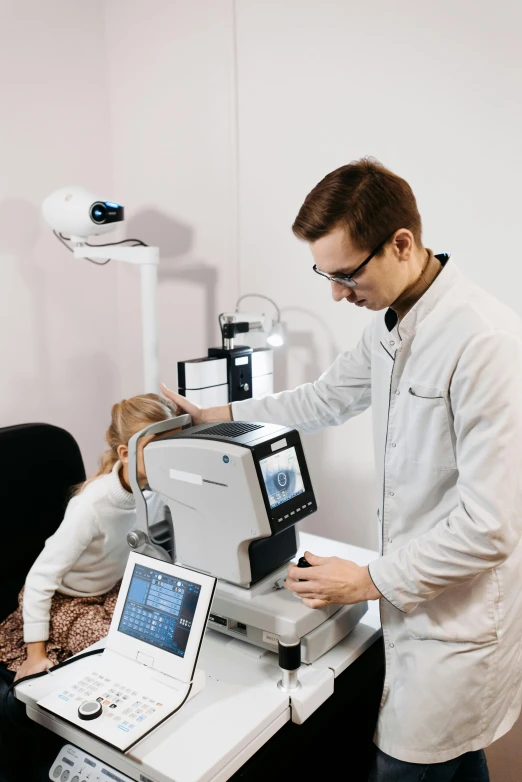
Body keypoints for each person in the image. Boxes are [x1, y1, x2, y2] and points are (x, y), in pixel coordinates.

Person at [161, 158, 522, 781]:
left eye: (346, 274)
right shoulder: (392, 324)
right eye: (323, 274)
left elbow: (489, 527)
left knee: (408, 763)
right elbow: (323, 399)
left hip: (457, 621)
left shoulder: (483, 341)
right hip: (414, 596)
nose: (335, 293)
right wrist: (216, 414)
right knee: (456, 767)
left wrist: (366, 579)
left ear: (401, 244)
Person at [0, 393, 177, 682]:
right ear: (124, 454)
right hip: (66, 598)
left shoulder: (154, 491)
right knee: (123, 651)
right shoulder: (91, 506)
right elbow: (39, 579)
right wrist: (35, 655)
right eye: (156, 450)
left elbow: (150, 547)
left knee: (165, 628)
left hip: (110, 587)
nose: (168, 461)